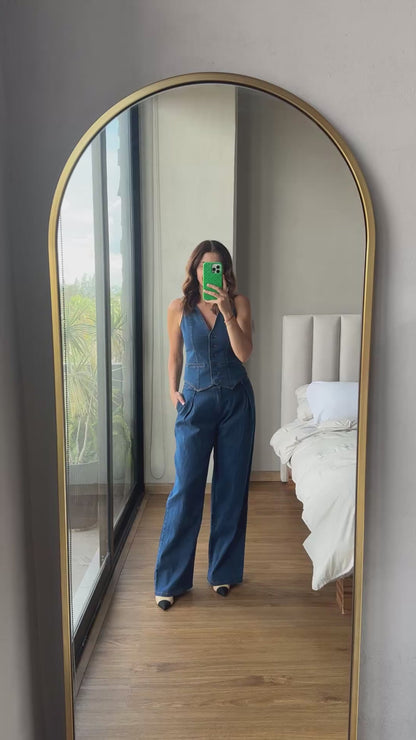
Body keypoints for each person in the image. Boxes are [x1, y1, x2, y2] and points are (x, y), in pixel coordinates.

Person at [154, 240, 256, 610]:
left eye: (216, 266)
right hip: (194, 404)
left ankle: (223, 572)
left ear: (224, 271)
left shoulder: (239, 303)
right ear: (195, 270)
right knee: (186, 489)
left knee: (230, 488)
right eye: (203, 266)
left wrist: (227, 312)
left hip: (235, 403)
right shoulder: (178, 308)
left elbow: (244, 353)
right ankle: (171, 580)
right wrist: (172, 391)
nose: (208, 272)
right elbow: (174, 354)